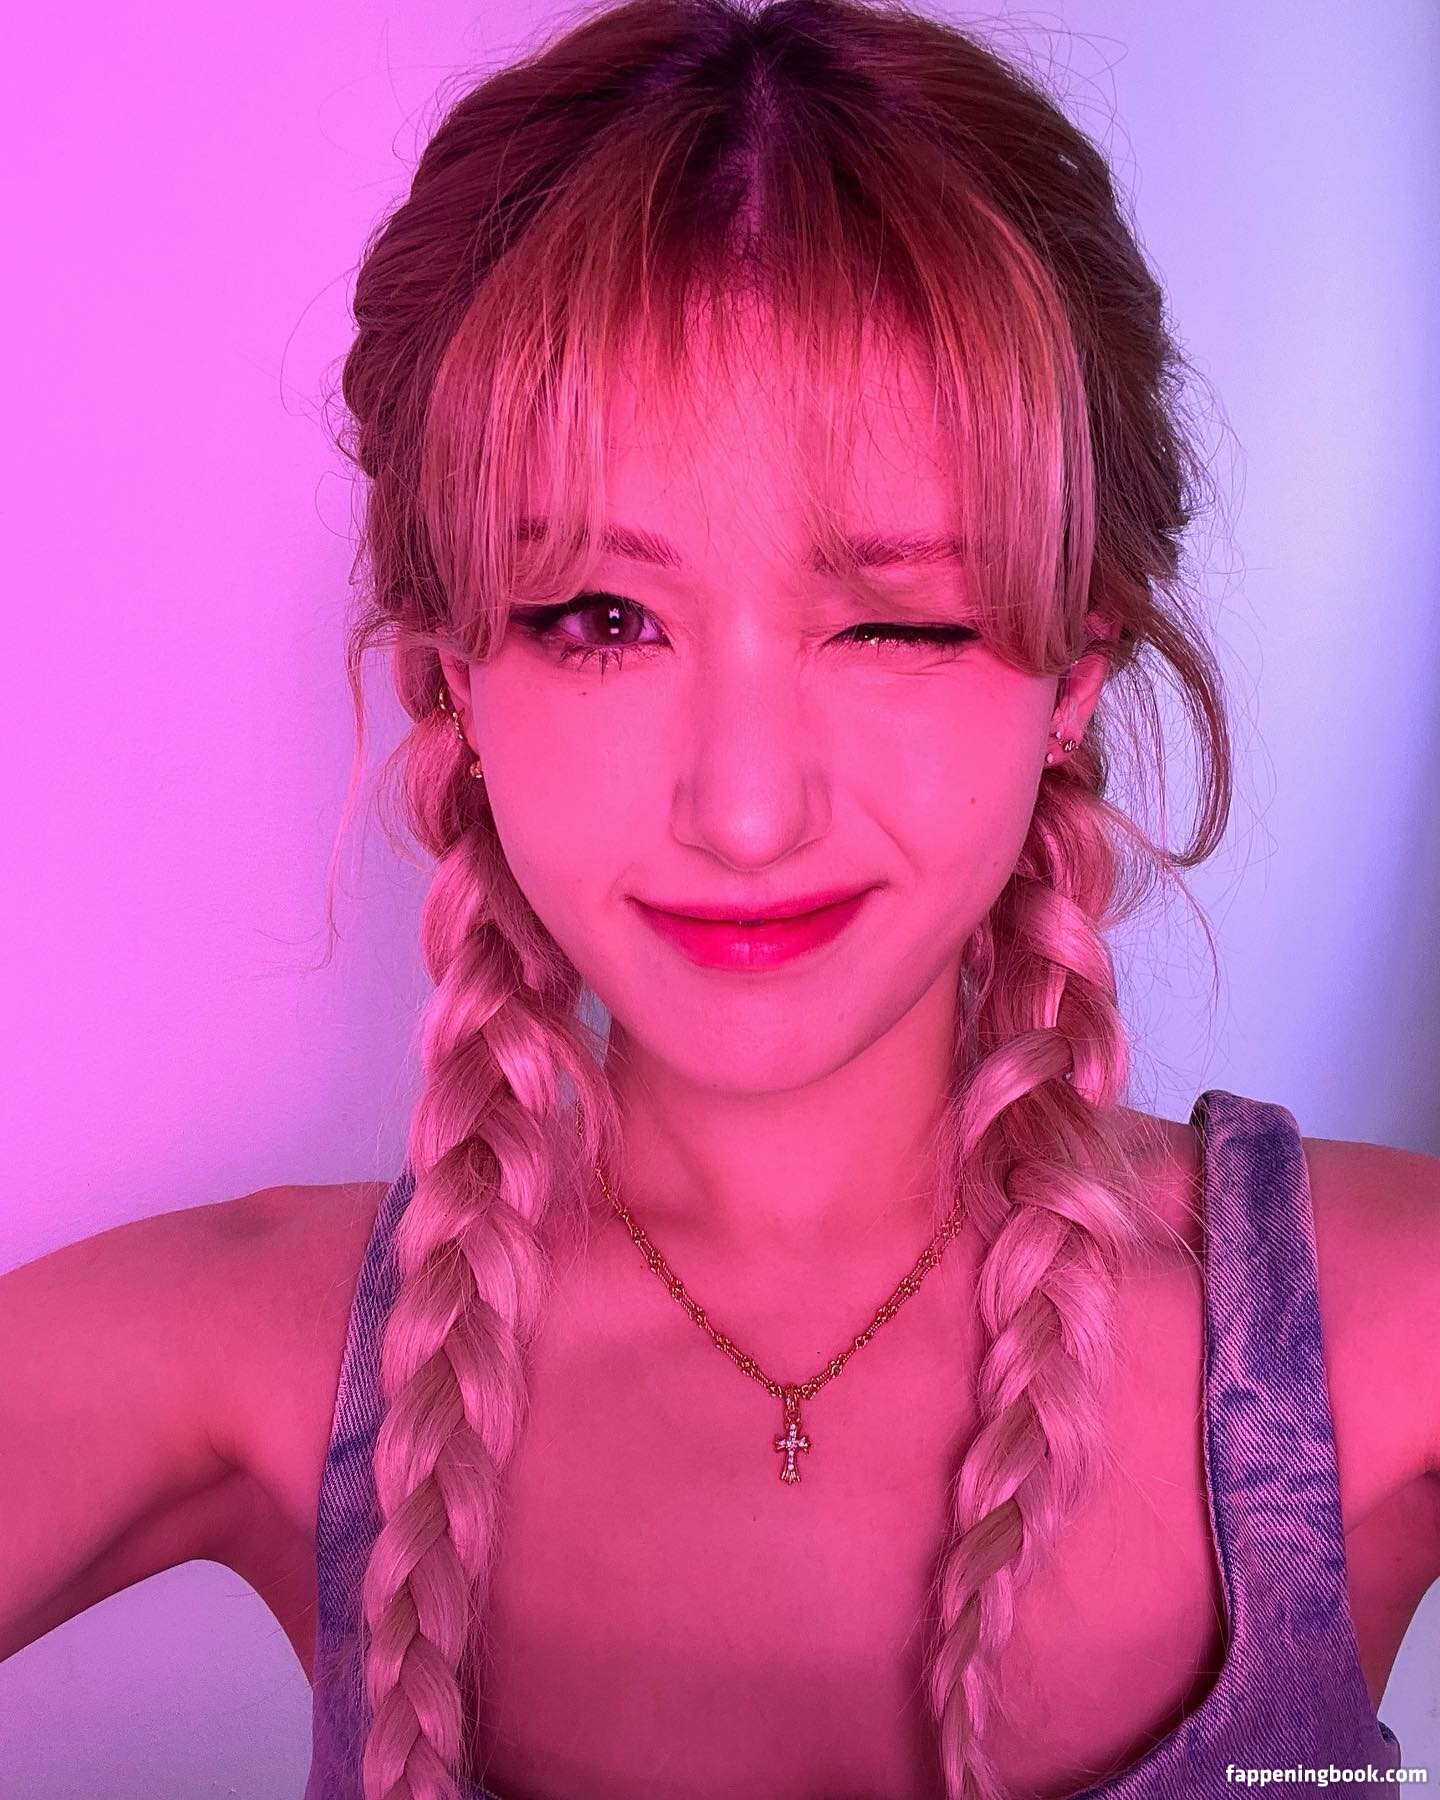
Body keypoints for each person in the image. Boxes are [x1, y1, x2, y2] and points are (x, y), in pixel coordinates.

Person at [2, 1, 1436, 1798]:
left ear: (1076, 672)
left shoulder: (1396, 1330)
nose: (746, 813)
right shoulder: (218, 1354)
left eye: (897, 623)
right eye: (599, 619)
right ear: (455, 680)